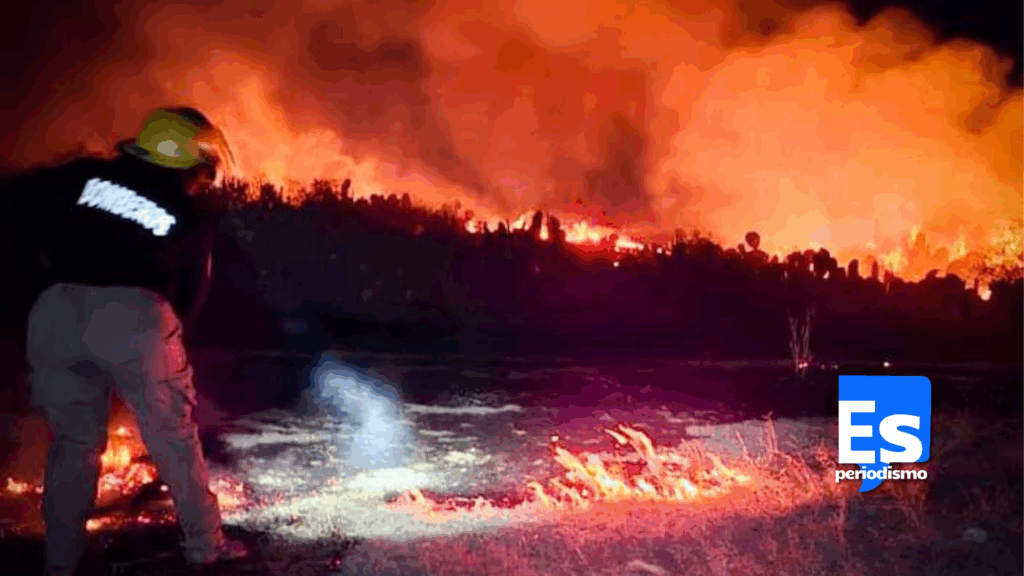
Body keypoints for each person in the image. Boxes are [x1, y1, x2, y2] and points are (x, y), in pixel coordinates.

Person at [18, 107, 247, 576]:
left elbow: (30, 222)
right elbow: (189, 291)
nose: (206, 174)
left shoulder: (82, 176)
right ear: (186, 159)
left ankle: (60, 562)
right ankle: (207, 546)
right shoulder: (188, 210)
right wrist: (161, 349)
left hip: (55, 309)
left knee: (73, 441)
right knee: (174, 439)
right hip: (134, 313)